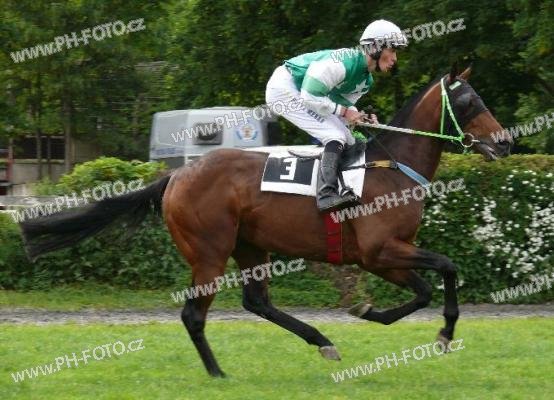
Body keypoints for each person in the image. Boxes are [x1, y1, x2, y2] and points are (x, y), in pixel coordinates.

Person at [265, 19, 408, 211]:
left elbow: (340, 105)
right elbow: (310, 95)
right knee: (335, 136)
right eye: (392, 50)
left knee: (353, 140)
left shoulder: (366, 81)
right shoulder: (343, 62)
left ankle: (341, 188)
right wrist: (346, 112)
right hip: (284, 89)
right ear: (375, 47)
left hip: (306, 94)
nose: (395, 58)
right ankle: (325, 195)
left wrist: (360, 117)